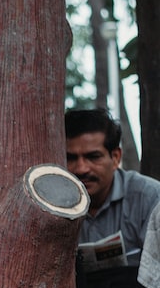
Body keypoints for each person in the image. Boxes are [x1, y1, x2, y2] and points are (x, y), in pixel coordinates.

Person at [66, 108, 160, 263]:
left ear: (115, 157)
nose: (81, 168)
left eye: (93, 157)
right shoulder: (50, 208)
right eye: (71, 158)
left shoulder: (149, 198)